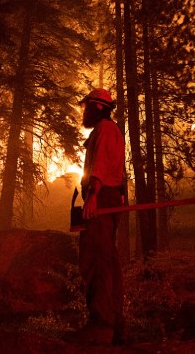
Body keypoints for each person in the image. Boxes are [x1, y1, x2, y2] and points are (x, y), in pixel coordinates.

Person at [68, 88, 125, 345]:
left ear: (98, 107)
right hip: (106, 197)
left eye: (87, 106)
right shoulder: (107, 130)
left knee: (96, 258)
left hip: (101, 198)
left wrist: (93, 194)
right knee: (106, 259)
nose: (85, 111)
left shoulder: (105, 130)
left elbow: (101, 163)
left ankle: (101, 327)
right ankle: (114, 326)